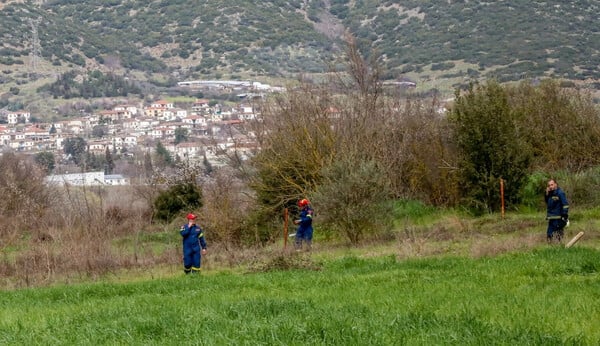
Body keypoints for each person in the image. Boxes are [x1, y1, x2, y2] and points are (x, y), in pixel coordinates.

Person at [545, 179, 569, 243]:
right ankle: (550, 249)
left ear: (556, 184)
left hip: (558, 217)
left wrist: (564, 214)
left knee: (558, 234)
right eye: (549, 185)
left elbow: (565, 204)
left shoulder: (560, 193)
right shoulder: (550, 194)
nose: (550, 186)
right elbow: (548, 203)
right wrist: (546, 194)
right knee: (549, 235)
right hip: (551, 217)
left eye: (552, 185)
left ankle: (559, 247)